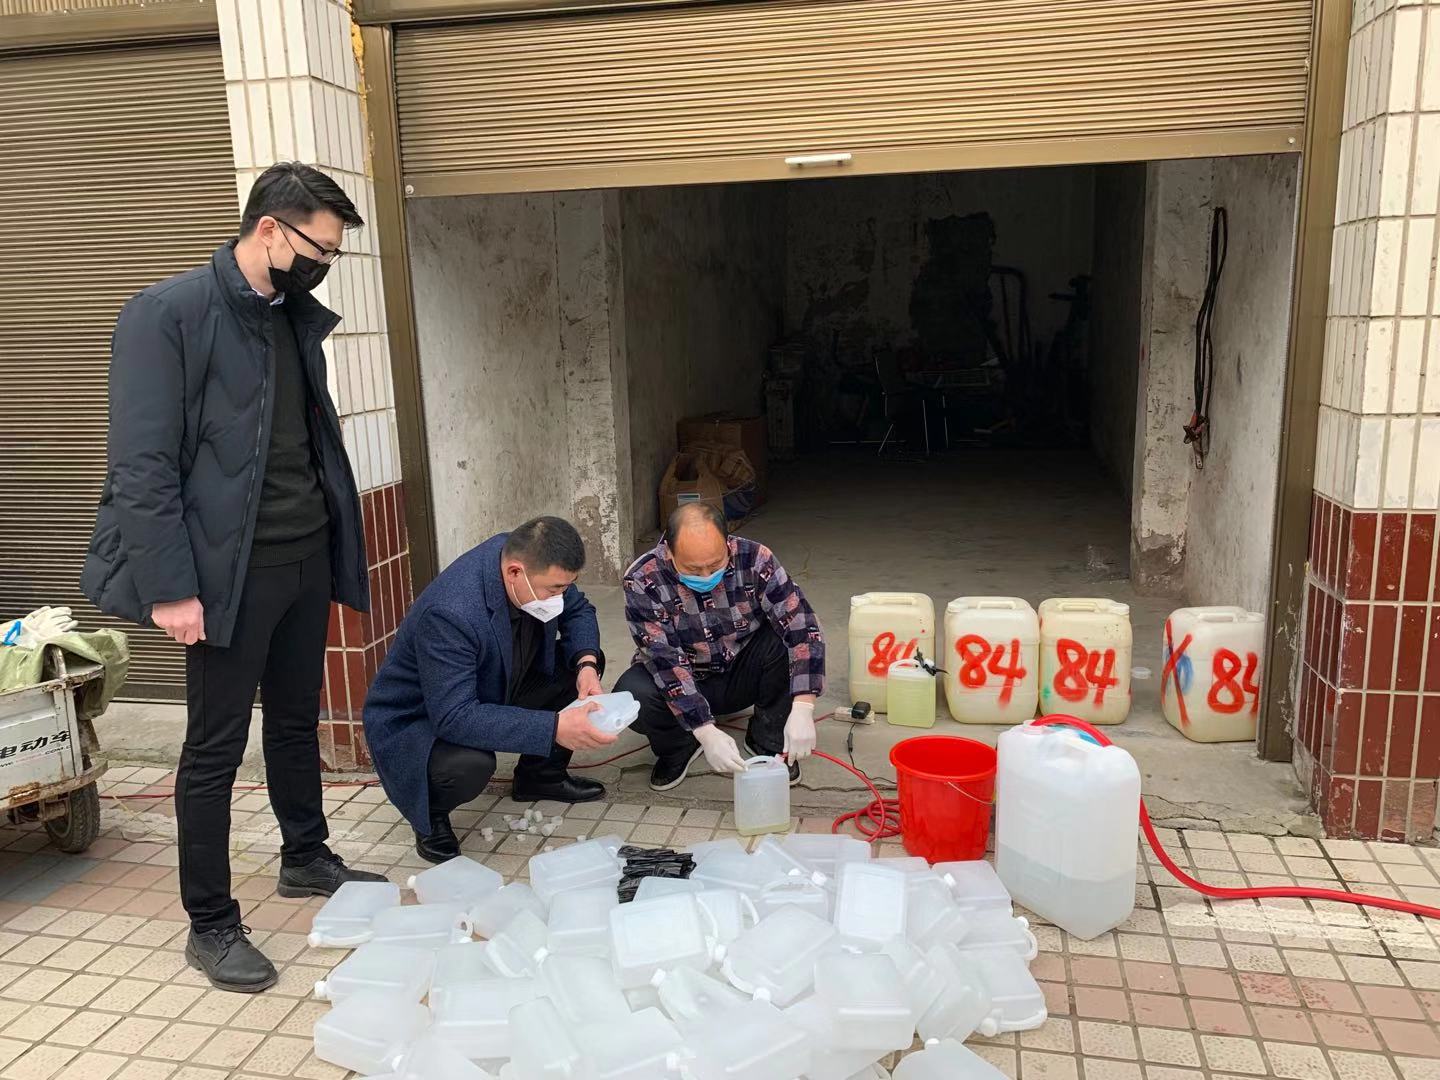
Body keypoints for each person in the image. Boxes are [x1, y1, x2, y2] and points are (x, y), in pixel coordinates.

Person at [80, 162, 386, 994]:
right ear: (270, 231)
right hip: (225, 573)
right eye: (320, 249)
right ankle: (211, 923)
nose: (324, 265)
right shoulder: (167, 315)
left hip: (303, 554)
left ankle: (305, 854)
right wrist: (171, 588)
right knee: (214, 748)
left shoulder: (289, 314)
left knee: (293, 718)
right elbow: (141, 466)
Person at [364, 517, 616, 863]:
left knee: (574, 668)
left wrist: (587, 665)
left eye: (565, 587)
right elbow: (454, 716)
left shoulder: (532, 561)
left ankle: (540, 776)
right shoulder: (451, 612)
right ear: (514, 573)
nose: (559, 597)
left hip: (497, 681)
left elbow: (578, 610)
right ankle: (430, 815)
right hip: (423, 719)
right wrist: (555, 727)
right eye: (554, 589)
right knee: (469, 765)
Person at [615, 503, 825, 790]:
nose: (705, 576)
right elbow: (664, 660)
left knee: (782, 640)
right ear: (669, 551)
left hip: (743, 672)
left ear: (728, 544)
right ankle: (679, 745)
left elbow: (802, 626)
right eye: (692, 569)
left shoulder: (755, 558)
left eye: (715, 565)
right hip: (684, 681)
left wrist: (803, 706)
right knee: (632, 694)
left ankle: (769, 739)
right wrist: (704, 730)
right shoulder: (643, 578)